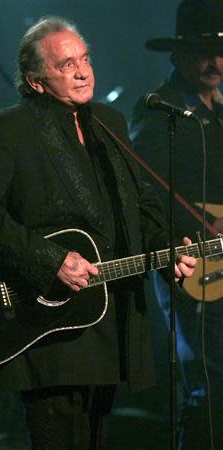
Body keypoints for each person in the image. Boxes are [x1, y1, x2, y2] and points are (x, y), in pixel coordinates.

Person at [0, 17, 196, 450]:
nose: (83, 71)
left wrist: (166, 247)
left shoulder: (109, 121)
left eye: (85, 59)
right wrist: (50, 259)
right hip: (46, 322)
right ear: (36, 81)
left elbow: (142, 204)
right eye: (66, 64)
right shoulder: (8, 129)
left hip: (111, 318)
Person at [130, 0, 223, 449]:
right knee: (207, 385)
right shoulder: (159, 110)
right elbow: (142, 190)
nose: (215, 61)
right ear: (179, 54)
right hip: (188, 260)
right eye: (204, 50)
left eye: (221, 51)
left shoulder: (222, 113)